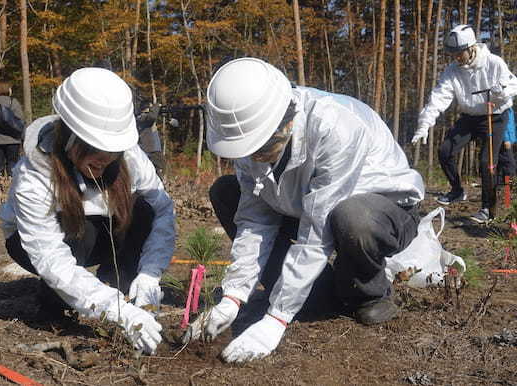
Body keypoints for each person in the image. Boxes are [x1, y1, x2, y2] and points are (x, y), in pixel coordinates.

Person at [184, 58, 425, 363]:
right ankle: (315, 295)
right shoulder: (250, 137)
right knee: (226, 191)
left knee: (352, 218)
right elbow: (255, 219)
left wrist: (277, 318)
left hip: (381, 207)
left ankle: (367, 292)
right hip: (304, 203)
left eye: (262, 147)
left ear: (287, 120)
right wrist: (233, 296)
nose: (255, 157)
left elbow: (318, 226)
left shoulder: (334, 127)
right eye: (248, 150)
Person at [0, 68, 175, 355]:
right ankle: (56, 302)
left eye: (111, 150)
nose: (105, 158)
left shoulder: (128, 155)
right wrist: (115, 310)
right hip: (36, 243)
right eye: (94, 147)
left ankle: (121, 285)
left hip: (95, 232)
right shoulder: (34, 176)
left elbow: (163, 209)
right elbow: (49, 256)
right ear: (69, 138)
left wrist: (150, 273)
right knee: (80, 230)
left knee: (144, 211)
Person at [412, 25, 517, 223]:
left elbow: (513, 85)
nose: (456, 58)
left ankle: (488, 208)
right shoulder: (452, 71)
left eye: (460, 53)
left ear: (472, 48)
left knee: (487, 162)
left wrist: (501, 91)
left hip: (494, 115)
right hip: (470, 116)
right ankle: (457, 190)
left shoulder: (493, 63)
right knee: (445, 150)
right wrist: (424, 124)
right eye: (453, 54)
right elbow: (438, 98)